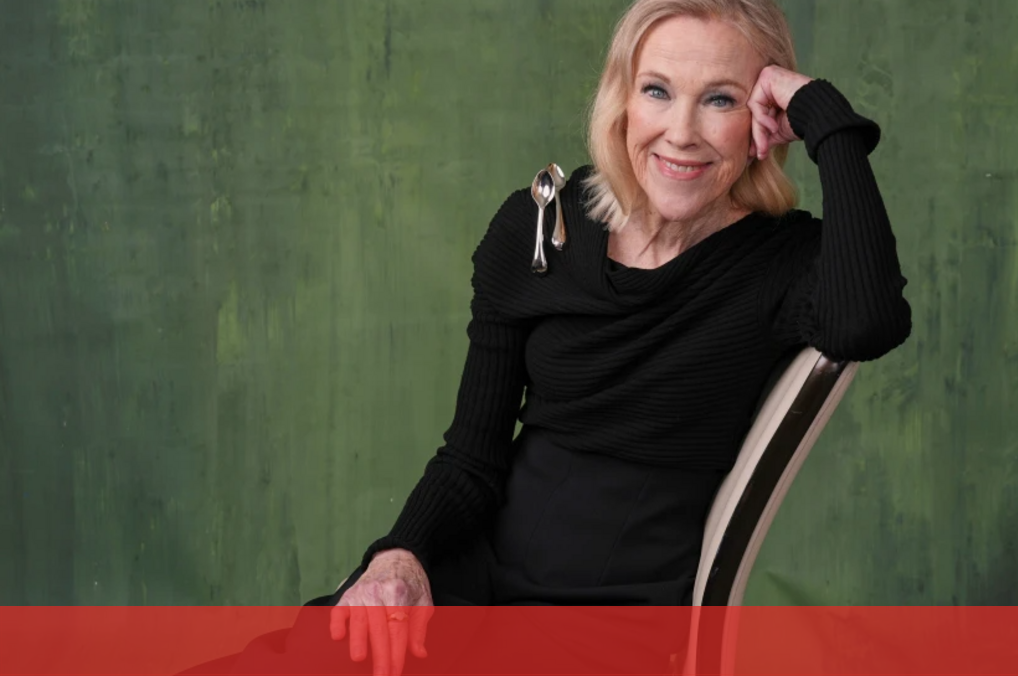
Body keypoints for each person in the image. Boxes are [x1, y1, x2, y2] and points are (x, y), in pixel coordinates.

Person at [188, 0, 912, 673]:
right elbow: (470, 458)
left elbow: (867, 320)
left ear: (761, 119)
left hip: (607, 624)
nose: (681, 131)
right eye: (657, 91)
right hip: (475, 580)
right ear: (622, 100)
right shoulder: (539, 228)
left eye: (720, 99)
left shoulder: (781, 262)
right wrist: (400, 556)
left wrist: (824, 116)